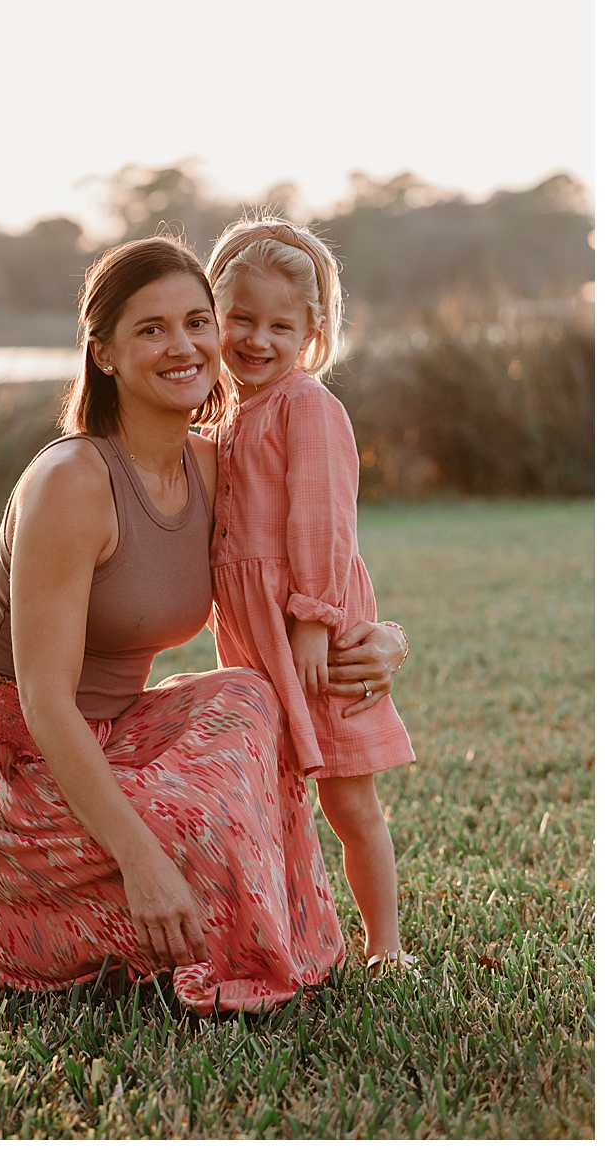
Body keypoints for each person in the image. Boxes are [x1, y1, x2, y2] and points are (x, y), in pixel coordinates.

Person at [0, 237, 407, 1013]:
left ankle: (210, 910)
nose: (185, 345)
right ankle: (101, 903)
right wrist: (142, 861)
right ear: (104, 353)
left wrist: (385, 638)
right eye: (152, 329)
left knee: (249, 702)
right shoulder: (72, 482)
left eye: (198, 321)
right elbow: (45, 703)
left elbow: (309, 547)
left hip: (105, 740)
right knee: (186, 837)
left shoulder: (212, 465)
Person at [204, 218, 417, 973]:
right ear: (215, 317)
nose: (257, 339)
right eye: (242, 319)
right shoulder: (226, 418)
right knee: (278, 800)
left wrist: (315, 622)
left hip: (312, 632)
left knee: (350, 803)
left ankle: (385, 946)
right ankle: (290, 931)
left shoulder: (307, 406)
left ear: (311, 332)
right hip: (253, 637)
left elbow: (323, 522)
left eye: (279, 326)